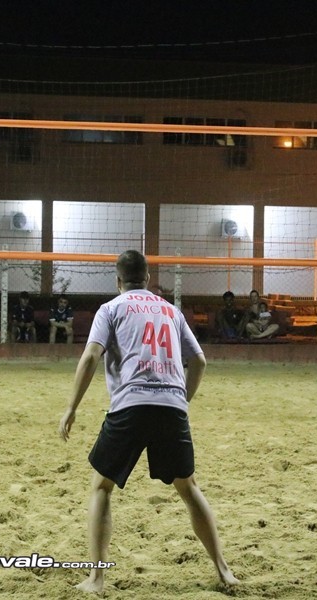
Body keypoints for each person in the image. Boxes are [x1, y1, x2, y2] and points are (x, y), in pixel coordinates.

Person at [58, 250, 238, 595]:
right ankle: (223, 570)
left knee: (101, 487)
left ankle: (96, 578)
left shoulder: (111, 309)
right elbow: (199, 361)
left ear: (118, 280)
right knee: (189, 488)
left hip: (131, 404)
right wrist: (182, 400)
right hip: (171, 406)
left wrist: (71, 407)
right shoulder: (171, 310)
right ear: (148, 279)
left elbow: (91, 356)